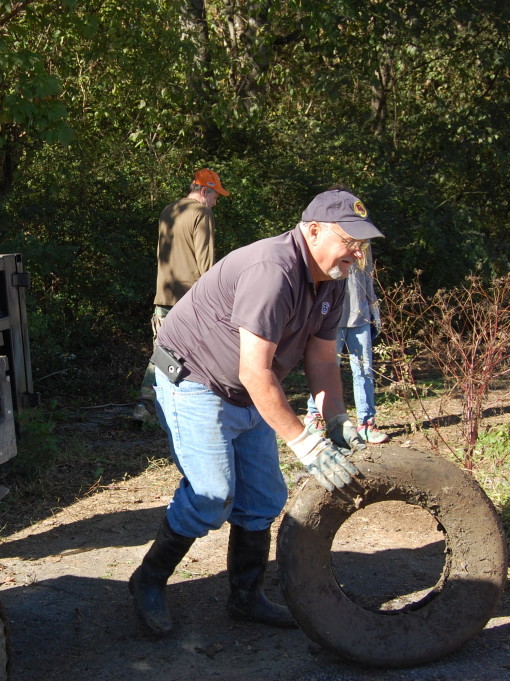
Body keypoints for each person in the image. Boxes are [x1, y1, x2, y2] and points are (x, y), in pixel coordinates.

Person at [129, 188, 384, 635]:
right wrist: (305, 443)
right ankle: (147, 580)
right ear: (314, 230)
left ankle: (245, 599)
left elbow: (322, 359)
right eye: (350, 240)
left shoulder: (334, 281)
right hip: (194, 380)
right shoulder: (273, 270)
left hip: (248, 389)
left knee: (264, 498)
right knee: (211, 495)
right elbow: (254, 370)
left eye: (362, 243)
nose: (357, 252)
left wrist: (338, 420)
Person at [133, 168, 230, 422]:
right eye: (215, 196)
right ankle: (191, 409)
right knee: (198, 355)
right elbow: (205, 262)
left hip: (164, 295)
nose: (215, 202)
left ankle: (145, 405)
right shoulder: (202, 213)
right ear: (204, 191)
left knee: (163, 354)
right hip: (190, 299)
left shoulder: (168, 210)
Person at [304, 239, 390, 443]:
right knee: (327, 369)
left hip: (360, 317)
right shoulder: (332, 242)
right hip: (332, 319)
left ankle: (367, 423)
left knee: (365, 370)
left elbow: (368, 278)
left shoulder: (365, 246)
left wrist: (373, 313)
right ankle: (314, 416)